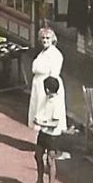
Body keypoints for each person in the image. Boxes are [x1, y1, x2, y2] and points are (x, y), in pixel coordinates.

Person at [26, 27, 64, 159]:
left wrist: (50, 90)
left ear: (53, 39)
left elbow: (54, 74)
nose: (45, 41)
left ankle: (52, 146)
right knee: (40, 111)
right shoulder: (42, 52)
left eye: (48, 38)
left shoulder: (55, 54)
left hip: (47, 86)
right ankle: (43, 139)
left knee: (48, 113)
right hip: (39, 86)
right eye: (43, 38)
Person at [33, 75, 68, 183]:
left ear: (47, 89)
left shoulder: (57, 102)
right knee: (38, 155)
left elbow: (55, 123)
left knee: (50, 160)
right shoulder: (46, 99)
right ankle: (39, 181)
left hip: (53, 135)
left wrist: (41, 123)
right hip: (43, 132)